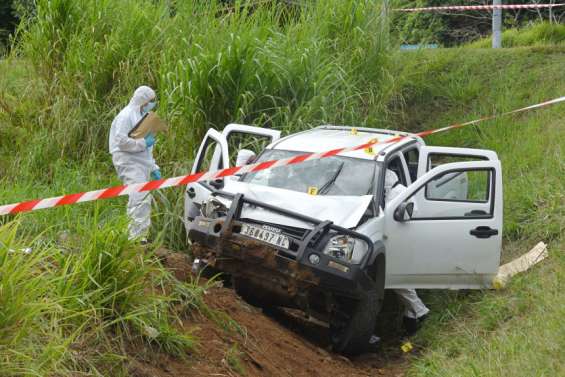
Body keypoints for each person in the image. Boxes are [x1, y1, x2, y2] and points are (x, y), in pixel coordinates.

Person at [109, 86, 161, 241]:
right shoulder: (126, 116)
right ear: (142, 100)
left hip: (141, 162)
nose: (152, 103)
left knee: (144, 198)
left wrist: (153, 167)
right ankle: (135, 238)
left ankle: (140, 237)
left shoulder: (144, 116)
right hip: (127, 160)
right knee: (139, 196)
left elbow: (148, 150)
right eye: (150, 101)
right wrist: (143, 143)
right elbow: (121, 142)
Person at [384, 169, 430, 336]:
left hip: (402, 242)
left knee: (396, 279)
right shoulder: (388, 192)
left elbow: (411, 213)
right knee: (400, 280)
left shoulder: (401, 192)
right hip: (391, 241)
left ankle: (421, 312)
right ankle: (411, 317)